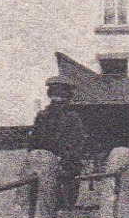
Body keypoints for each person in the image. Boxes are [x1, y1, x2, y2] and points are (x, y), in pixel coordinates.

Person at [30, 77, 90, 205]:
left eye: (62, 96)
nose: (58, 99)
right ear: (50, 95)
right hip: (43, 167)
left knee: (65, 204)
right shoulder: (42, 117)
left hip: (66, 167)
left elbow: (77, 145)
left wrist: (62, 159)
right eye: (55, 95)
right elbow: (33, 143)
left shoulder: (73, 118)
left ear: (68, 97)